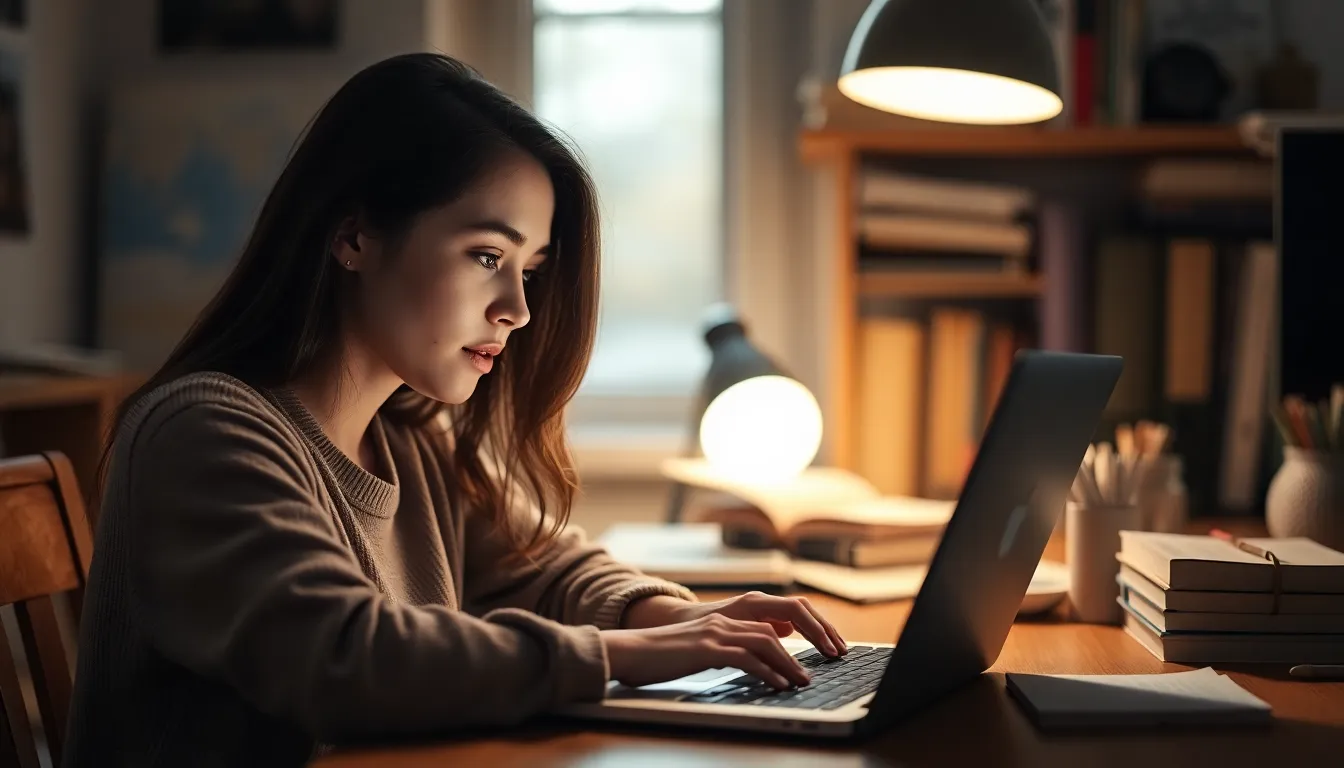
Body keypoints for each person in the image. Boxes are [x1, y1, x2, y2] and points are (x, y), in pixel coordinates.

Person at [63, 53, 847, 766]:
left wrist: (683, 621)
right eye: (486, 257)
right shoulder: (203, 433)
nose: (519, 308)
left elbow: (546, 563)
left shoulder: (410, 433)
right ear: (353, 236)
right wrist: (626, 654)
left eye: (530, 270)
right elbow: (348, 660)